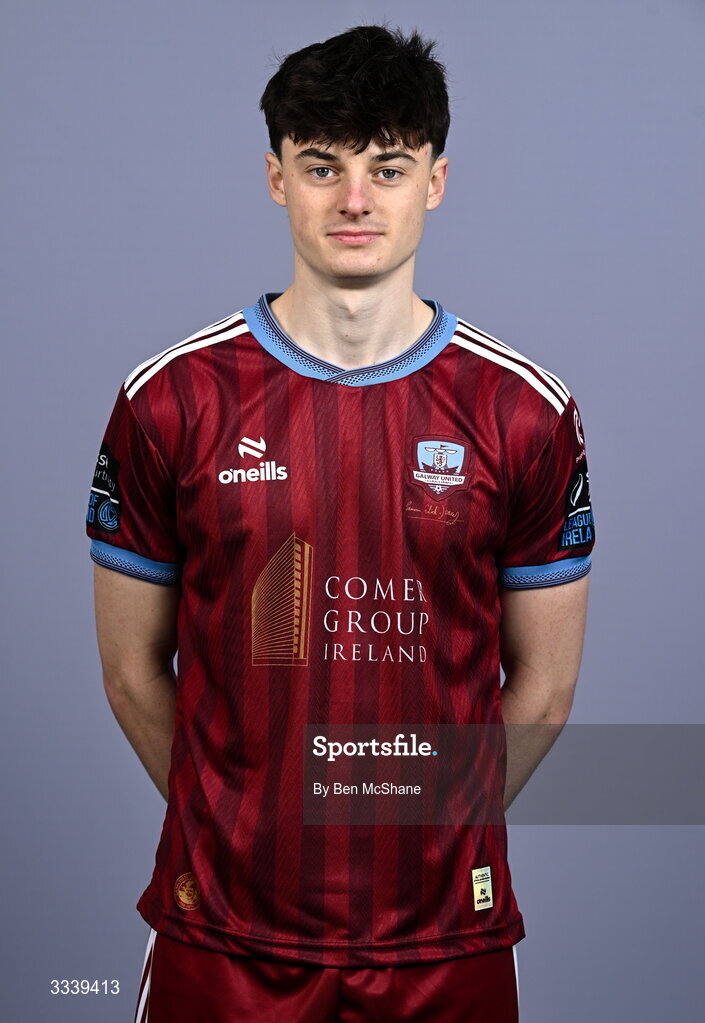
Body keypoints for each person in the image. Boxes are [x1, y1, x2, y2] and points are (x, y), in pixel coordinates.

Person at [86, 23, 595, 1023]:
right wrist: (234, 824)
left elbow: (544, 685)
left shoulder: (526, 413)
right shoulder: (169, 401)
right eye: (323, 166)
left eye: (387, 167)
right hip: (221, 938)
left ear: (434, 182)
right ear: (276, 177)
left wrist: (433, 830)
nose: (354, 199)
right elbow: (130, 671)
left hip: (442, 945)